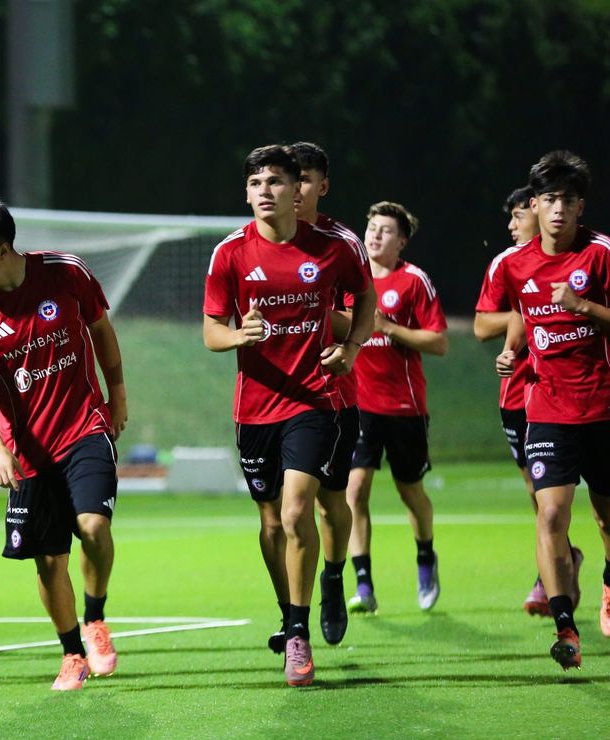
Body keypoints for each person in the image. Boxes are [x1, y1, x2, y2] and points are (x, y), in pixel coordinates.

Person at [203, 145, 374, 687]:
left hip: (317, 401)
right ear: (246, 192)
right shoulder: (230, 253)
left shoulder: (333, 246)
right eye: (256, 183)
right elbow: (211, 332)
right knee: (272, 521)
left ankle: (307, 619)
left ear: (296, 188)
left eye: (275, 181)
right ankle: (290, 611)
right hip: (255, 409)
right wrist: (239, 335)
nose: (265, 191)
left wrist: (351, 350)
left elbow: (366, 300)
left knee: (306, 509)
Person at [0, 197, 126, 691]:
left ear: (3, 250)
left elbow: (101, 331)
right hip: (27, 450)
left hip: (84, 426)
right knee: (49, 559)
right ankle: (72, 654)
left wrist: (118, 395)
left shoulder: (66, 273)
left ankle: (95, 616)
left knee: (93, 526)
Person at [495, 150, 610, 670]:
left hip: (602, 406)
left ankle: (607, 582)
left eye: (568, 200)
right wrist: (511, 349)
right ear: (535, 204)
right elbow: (518, 312)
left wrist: (582, 305)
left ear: (580, 206)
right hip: (546, 407)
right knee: (550, 514)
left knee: (605, 516)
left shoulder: (601, 253)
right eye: (549, 199)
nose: (558, 209)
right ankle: (566, 627)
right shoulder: (515, 263)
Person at [475, 187, 583, 617]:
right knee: (539, 494)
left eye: (518, 215)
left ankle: (566, 568)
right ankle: (556, 568)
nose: (511, 225)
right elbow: (481, 326)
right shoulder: (509, 264)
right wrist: (529, 306)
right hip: (520, 394)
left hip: (577, 393)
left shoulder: (583, 257)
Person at [345, 202, 447, 614]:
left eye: (385, 230)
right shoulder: (350, 278)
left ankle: (425, 556)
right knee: (354, 491)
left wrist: (389, 328)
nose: (375, 235)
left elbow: (438, 342)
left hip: (404, 406)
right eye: (371, 227)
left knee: (410, 492)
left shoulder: (413, 281)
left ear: (401, 241)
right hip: (358, 404)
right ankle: (363, 584)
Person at [290, 141, 367, 649]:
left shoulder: (341, 243)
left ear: (323, 185)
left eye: (304, 178)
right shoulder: (257, 241)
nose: (294, 188)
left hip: (331, 393)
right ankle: (291, 618)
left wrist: (309, 309)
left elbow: (362, 314)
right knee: (286, 511)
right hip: (274, 399)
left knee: (329, 502)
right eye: (288, 178)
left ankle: (334, 576)